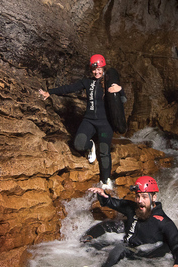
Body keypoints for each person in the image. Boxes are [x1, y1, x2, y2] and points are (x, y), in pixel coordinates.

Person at [76, 175, 178, 267]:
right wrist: (103, 195)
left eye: (144, 197)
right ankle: (84, 253)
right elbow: (113, 202)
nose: (140, 201)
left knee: (119, 250)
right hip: (128, 246)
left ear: (153, 198)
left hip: (144, 256)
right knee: (96, 244)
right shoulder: (133, 208)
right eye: (138, 196)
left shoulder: (164, 222)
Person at [38, 54, 122, 190]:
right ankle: (91, 146)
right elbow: (69, 88)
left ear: (104, 68)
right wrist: (50, 92)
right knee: (78, 143)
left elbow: (121, 101)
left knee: (105, 152)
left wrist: (120, 90)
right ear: (91, 70)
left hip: (105, 123)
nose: (97, 72)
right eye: (94, 69)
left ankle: (105, 181)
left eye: (99, 69)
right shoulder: (87, 82)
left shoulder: (109, 83)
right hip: (89, 120)